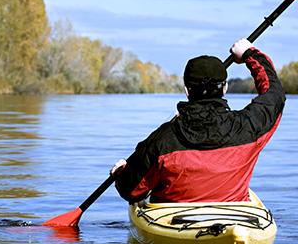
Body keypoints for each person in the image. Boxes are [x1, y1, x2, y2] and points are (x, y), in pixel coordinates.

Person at [110, 38, 285, 203]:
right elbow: (274, 94)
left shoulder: (161, 140)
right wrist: (249, 54)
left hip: (175, 222)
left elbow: (131, 191)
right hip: (235, 218)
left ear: (187, 90)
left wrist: (121, 174)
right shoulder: (249, 126)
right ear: (225, 88)